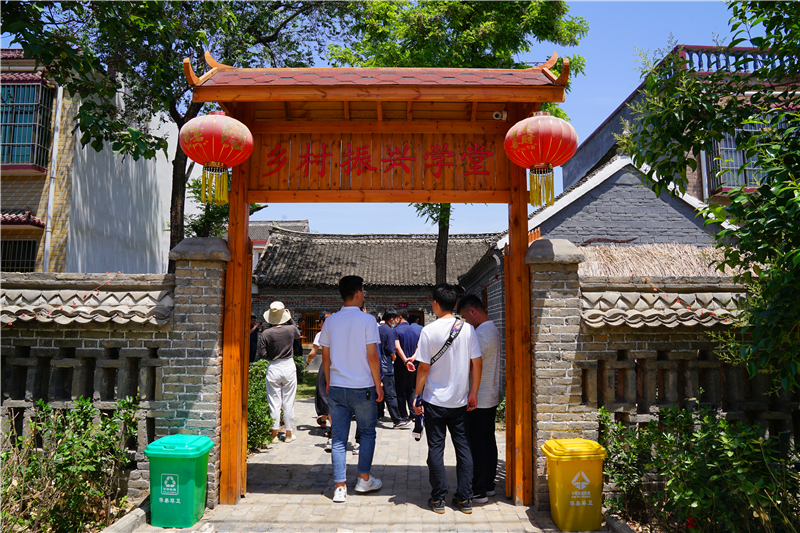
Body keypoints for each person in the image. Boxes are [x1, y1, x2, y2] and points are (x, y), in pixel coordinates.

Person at [414, 283, 482, 515]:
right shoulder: (468, 329)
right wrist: (473, 392)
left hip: (434, 401)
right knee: (463, 449)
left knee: (436, 448)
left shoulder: (428, 331)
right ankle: (465, 498)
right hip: (460, 401)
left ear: (435, 304)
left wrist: (417, 395)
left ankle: (439, 498)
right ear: (454, 304)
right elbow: (477, 363)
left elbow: (423, 368)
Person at [319, 276, 384, 503]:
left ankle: (340, 487)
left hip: (337, 385)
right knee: (367, 433)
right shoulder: (368, 320)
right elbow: (373, 356)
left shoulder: (330, 321)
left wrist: (329, 381)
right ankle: (364, 479)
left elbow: (325, 357)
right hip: (363, 386)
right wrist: (378, 384)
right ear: (358, 293)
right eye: (363, 291)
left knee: (338, 438)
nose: (364, 294)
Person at [457, 294, 502, 503]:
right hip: (489, 395)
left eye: (465, 317)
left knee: (477, 444)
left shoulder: (482, 334)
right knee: (487, 441)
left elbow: (472, 364)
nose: (466, 321)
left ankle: (479, 489)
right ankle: (488, 485)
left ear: (473, 311)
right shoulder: (492, 330)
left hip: (479, 397)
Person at [258, 301, 301, 443]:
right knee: (289, 401)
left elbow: (263, 354)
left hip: (273, 367)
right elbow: (298, 334)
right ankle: (288, 434)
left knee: (274, 402)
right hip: (288, 365)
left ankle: (274, 435)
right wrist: (290, 319)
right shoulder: (290, 329)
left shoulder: (266, 333)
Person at [378, 310, 412, 429]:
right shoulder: (390, 331)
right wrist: (394, 357)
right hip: (386, 366)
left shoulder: (378, 329)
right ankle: (397, 420)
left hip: (377, 365)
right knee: (391, 394)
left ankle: (377, 415)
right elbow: (392, 350)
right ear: (392, 319)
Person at [307, 312, 332, 433]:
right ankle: (323, 419)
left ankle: (333, 429)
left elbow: (313, 353)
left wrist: (308, 360)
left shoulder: (321, 334)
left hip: (327, 364)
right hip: (340, 365)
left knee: (323, 393)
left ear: (322, 322)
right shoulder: (340, 332)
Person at [394, 308, 422, 418]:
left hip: (401, 365)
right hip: (414, 364)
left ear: (400, 317)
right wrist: (413, 358)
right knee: (411, 389)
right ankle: (413, 413)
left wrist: (405, 360)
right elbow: (419, 347)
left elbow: (397, 347)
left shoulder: (396, 331)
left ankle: (403, 415)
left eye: (395, 318)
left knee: (400, 390)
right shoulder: (416, 331)